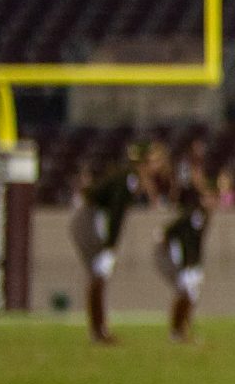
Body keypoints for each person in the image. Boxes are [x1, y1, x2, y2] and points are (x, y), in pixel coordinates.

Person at [69, 142, 165, 345]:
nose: (158, 166)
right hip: (90, 219)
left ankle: (98, 328)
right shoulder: (129, 178)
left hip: (94, 217)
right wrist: (110, 247)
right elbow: (117, 211)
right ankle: (98, 330)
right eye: (155, 160)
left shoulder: (132, 177)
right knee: (98, 275)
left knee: (98, 276)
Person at [153, 164, 228, 344]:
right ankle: (177, 331)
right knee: (185, 294)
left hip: (190, 260)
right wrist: (178, 256)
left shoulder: (203, 215)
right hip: (181, 258)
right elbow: (169, 232)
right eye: (211, 197)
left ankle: (182, 329)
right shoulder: (195, 213)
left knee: (189, 296)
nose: (213, 201)